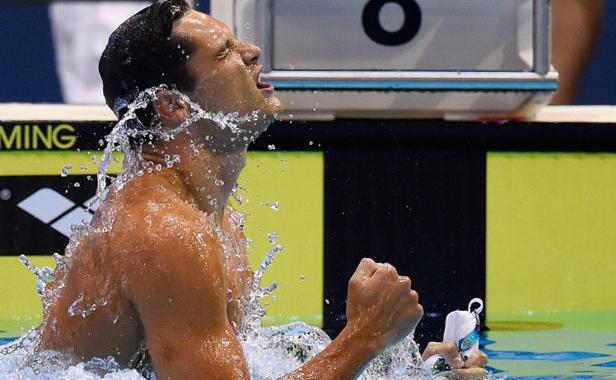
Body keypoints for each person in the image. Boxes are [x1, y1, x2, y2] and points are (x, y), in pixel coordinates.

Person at [38, 1, 488, 378]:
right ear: (174, 105)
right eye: (224, 52)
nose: (252, 51)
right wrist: (365, 335)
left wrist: (414, 369)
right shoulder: (165, 232)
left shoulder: (208, 214)